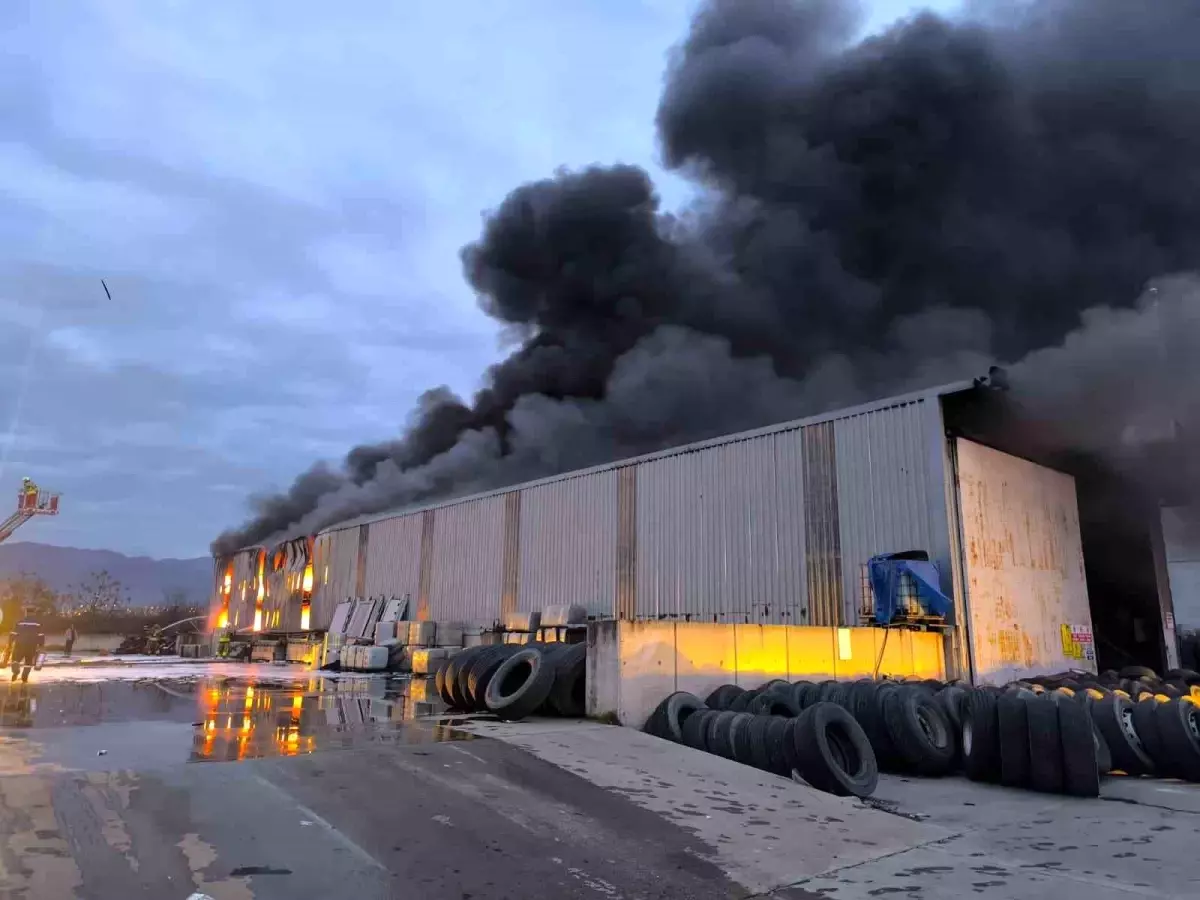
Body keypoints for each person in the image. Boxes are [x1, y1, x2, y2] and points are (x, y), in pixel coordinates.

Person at [8, 608, 45, 683]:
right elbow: (41, 635)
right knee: (28, 662)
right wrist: (41, 645)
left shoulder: (19, 622)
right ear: (33, 613)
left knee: (15, 660)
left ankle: (16, 672)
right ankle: (24, 677)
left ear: (26, 613)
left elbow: (13, 633)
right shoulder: (38, 623)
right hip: (31, 646)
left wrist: (10, 643)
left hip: (19, 645)